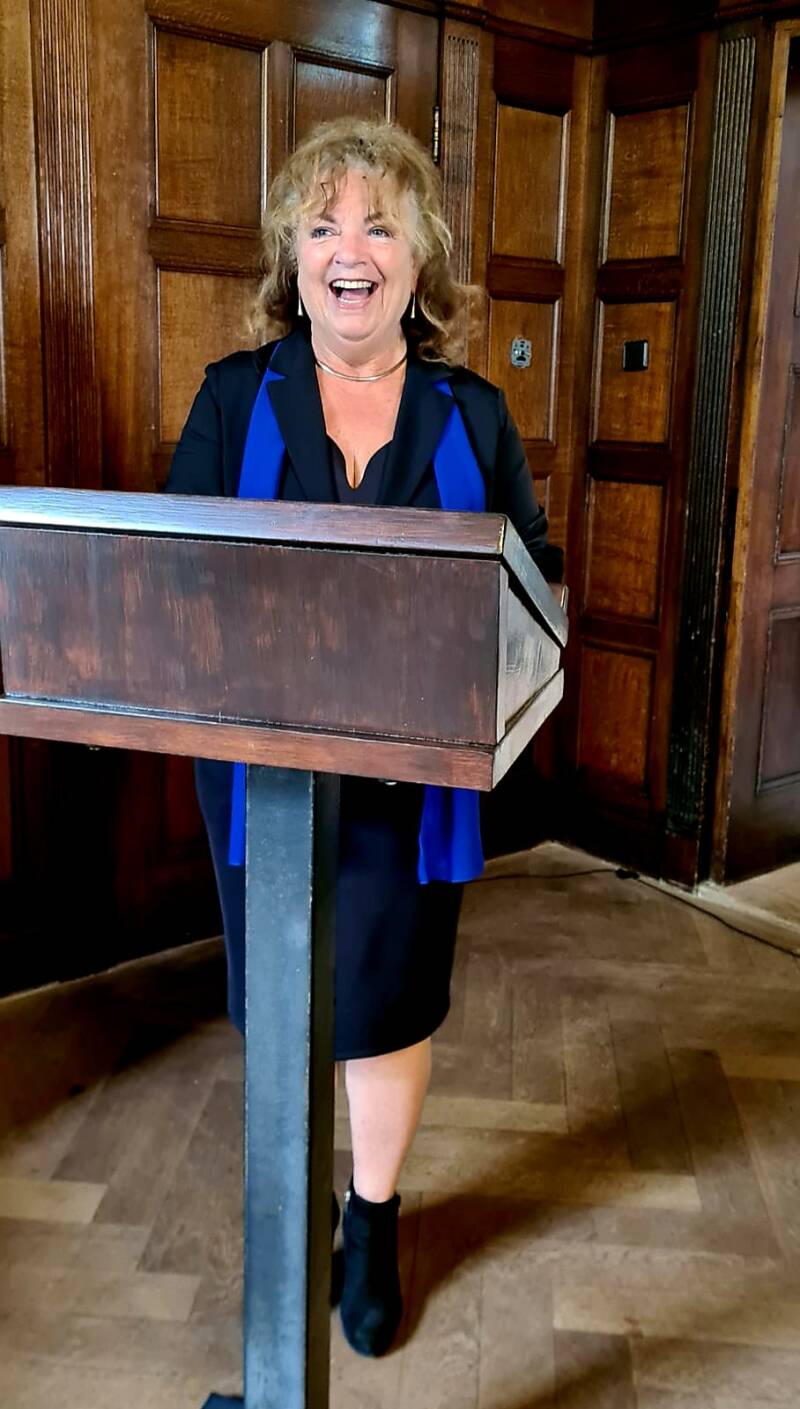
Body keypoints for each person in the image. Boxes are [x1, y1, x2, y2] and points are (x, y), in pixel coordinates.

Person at [167, 117, 563, 1358]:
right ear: (291, 257)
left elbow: (533, 587)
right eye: (324, 223)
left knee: (384, 1004)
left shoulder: (473, 412)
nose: (351, 248)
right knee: (286, 1001)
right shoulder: (233, 398)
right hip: (266, 781)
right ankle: (299, 1213)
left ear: (416, 257)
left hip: (411, 785)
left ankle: (372, 1216)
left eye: (380, 224)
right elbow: (177, 577)